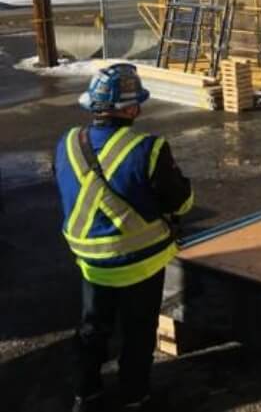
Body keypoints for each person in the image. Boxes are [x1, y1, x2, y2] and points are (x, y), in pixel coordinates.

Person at [54, 63, 193, 412]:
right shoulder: (150, 148)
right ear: (131, 109)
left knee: (92, 329)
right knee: (138, 332)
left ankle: (86, 395)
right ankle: (135, 397)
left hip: (90, 263)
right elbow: (181, 202)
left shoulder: (67, 142)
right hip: (140, 263)